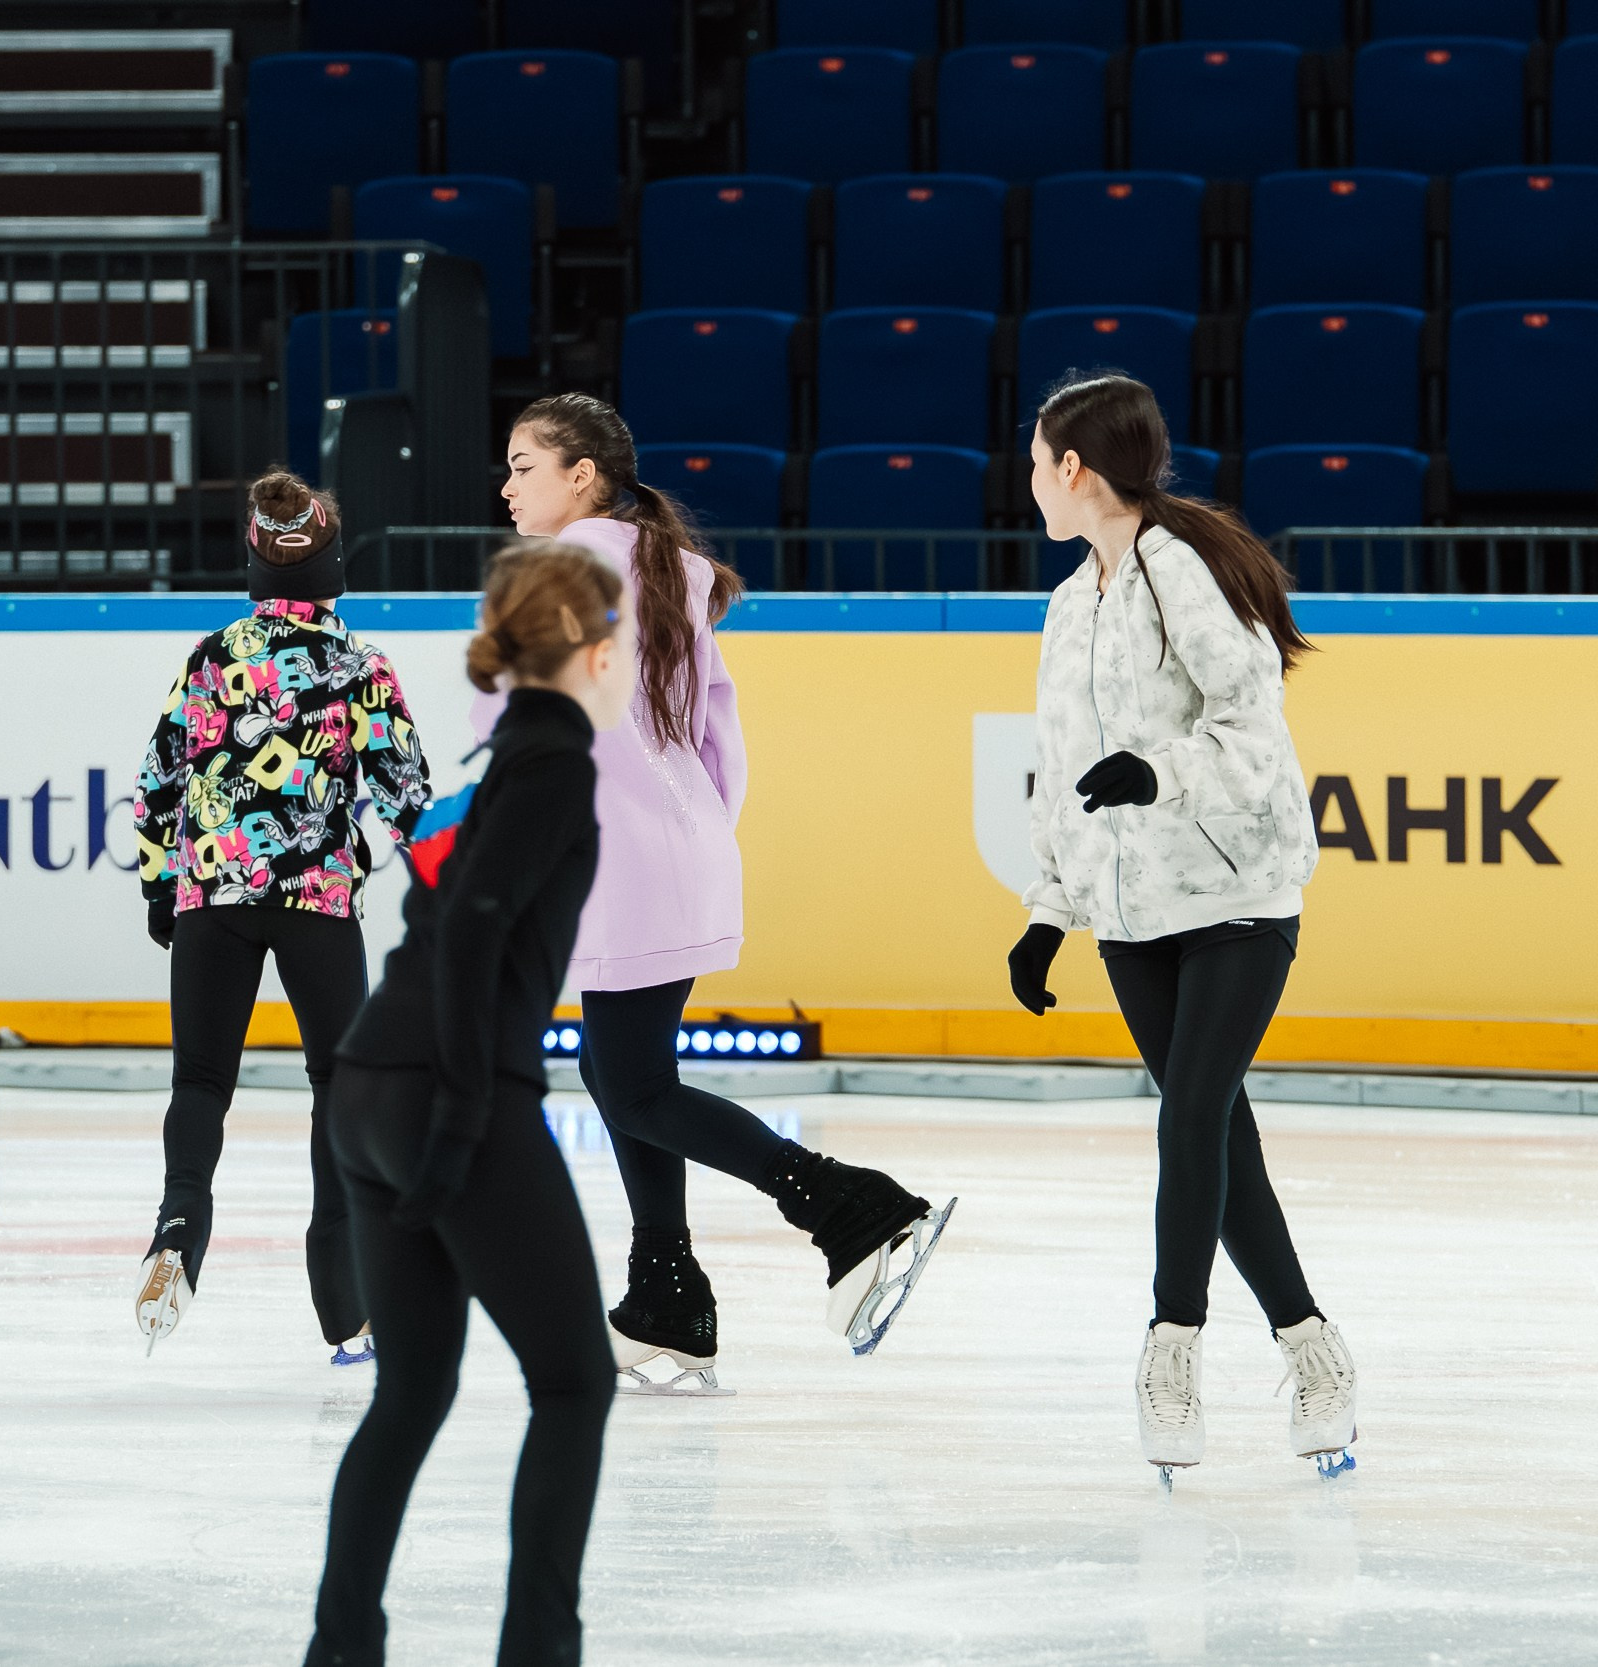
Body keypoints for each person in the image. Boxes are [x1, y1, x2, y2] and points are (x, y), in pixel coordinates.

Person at [494, 393, 954, 1391]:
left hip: (617, 856)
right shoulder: (675, 569)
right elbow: (717, 737)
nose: (507, 486)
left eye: (523, 464)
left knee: (629, 1083)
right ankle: (664, 1294)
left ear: (582, 473)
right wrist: (691, 831)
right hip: (681, 847)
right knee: (630, 1076)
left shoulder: (556, 574)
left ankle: (846, 1203)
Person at [1007, 372, 1358, 1486]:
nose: (1028, 483)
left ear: (1074, 468)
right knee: (1214, 1134)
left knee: (1194, 1111)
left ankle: (1172, 1349)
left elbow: (1254, 734)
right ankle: (1314, 1346)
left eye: (1034, 462)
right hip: (1129, 914)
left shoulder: (1186, 572)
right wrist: (1046, 912)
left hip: (1237, 897)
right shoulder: (1071, 601)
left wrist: (1157, 769)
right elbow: (1062, 773)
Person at [304, 543, 631, 1667]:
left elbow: (447, 918)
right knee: (576, 1382)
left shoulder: (503, 758)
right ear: (595, 651)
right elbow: (477, 929)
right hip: (448, 1091)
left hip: (363, 1084)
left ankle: (339, 1647)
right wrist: (456, 1117)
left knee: (412, 1388)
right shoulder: (552, 768)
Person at [132, 468, 431, 1363]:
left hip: (212, 899)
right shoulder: (360, 667)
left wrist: (160, 884)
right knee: (339, 1089)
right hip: (318, 901)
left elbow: (158, 781)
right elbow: (406, 795)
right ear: (335, 566)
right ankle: (346, 1303)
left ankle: (178, 1227)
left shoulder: (213, 655)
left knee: (200, 1084)